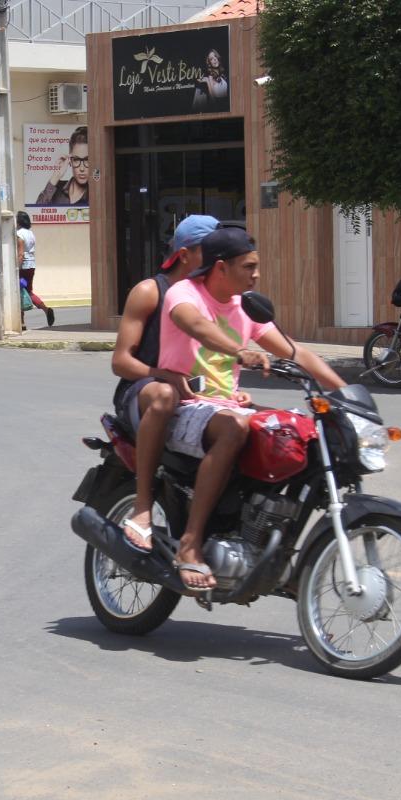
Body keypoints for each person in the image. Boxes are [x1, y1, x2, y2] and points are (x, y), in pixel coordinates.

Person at [159, 226, 346, 591]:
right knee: (234, 429)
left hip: (228, 407)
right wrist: (238, 350)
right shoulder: (185, 293)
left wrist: (346, 392)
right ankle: (190, 543)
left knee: (298, 435)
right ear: (220, 267)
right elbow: (194, 325)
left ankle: (270, 546)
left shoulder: (246, 308)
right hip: (185, 405)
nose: (256, 274)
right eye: (248, 266)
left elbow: (297, 352)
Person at [111, 214, 219, 551]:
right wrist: (164, 375)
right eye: (211, 251)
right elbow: (121, 361)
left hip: (194, 394)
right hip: (143, 393)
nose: (220, 260)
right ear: (185, 254)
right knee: (164, 395)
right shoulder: (149, 292)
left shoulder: (214, 296)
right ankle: (142, 506)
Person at [15, 211, 54, 327]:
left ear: (19, 221)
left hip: (23, 267)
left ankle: (22, 322)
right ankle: (46, 310)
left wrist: (17, 268)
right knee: (27, 291)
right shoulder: (31, 233)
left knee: (19, 293)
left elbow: (21, 253)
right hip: (31, 266)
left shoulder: (19, 234)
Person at [35, 126, 88, 206]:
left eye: (87, 160)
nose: (82, 168)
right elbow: (36, 212)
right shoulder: (56, 188)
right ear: (70, 160)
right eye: (76, 160)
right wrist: (56, 176)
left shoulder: (96, 195)